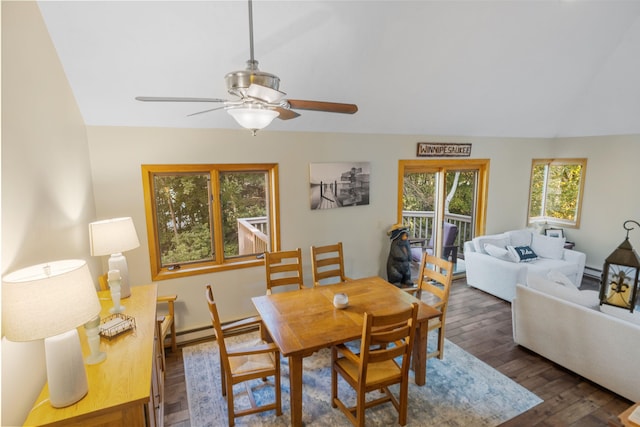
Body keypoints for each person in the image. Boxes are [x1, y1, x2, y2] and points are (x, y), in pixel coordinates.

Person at [386, 223, 414, 288]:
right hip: (395, 267)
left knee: (407, 272)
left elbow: (409, 251)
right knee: (395, 273)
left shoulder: (406, 243)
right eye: (404, 235)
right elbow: (397, 255)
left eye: (406, 235)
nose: (406, 237)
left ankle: (406, 279)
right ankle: (396, 281)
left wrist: (409, 256)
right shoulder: (395, 244)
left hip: (405, 266)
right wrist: (404, 257)